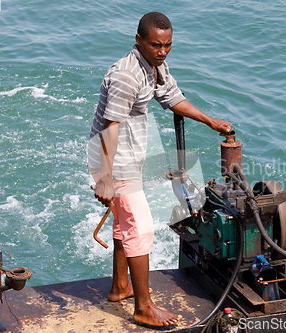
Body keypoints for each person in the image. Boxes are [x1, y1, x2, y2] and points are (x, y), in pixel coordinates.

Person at [87, 12, 231, 327]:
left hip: (127, 156)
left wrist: (210, 121)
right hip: (114, 159)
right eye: (155, 45)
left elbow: (172, 97)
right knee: (141, 228)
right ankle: (143, 307)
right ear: (138, 40)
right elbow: (111, 128)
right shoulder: (127, 76)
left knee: (125, 225)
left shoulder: (155, 66)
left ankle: (120, 287)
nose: (162, 51)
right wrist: (106, 178)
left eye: (167, 45)